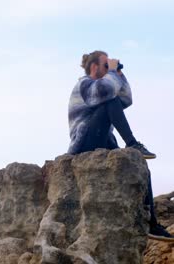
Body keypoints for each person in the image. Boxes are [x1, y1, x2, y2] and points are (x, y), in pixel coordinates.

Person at [67, 50, 173, 241]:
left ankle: (152, 224)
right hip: (83, 142)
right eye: (105, 65)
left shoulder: (106, 86)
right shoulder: (84, 84)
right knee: (111, 100)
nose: (110, 69)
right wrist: (113, 73)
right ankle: (132, 142)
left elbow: (126, 99)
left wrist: (120, 77)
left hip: (102, 141)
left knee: (140, 165)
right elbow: (108, 94)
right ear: (94, 67)